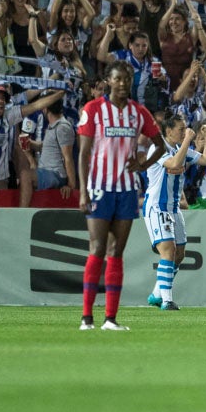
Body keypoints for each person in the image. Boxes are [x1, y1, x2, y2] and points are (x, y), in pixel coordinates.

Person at [77, 62, 166, 331]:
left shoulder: (138, 113)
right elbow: (83, 153)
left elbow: (159, 145)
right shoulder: (93, 110)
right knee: (98, 248)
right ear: (107, 81)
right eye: (118, 78)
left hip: (127, 189)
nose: (123, 83)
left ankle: (110, 319)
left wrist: (143, 165)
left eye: (127, 79)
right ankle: (86, 318)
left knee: (117, 252)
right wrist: (82, 190)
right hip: (99, 188)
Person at [144, 116, 206, 311]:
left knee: (179, 253)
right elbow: (174, 164)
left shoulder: (178, 149)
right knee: (168, 250)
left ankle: (157, 294)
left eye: (185, 128)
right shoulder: (158, 148)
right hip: (157, 207)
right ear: (168, 131)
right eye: (181, 129)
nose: (186, 131)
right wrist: (187, 140)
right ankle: (167, 300)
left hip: (174, 209)